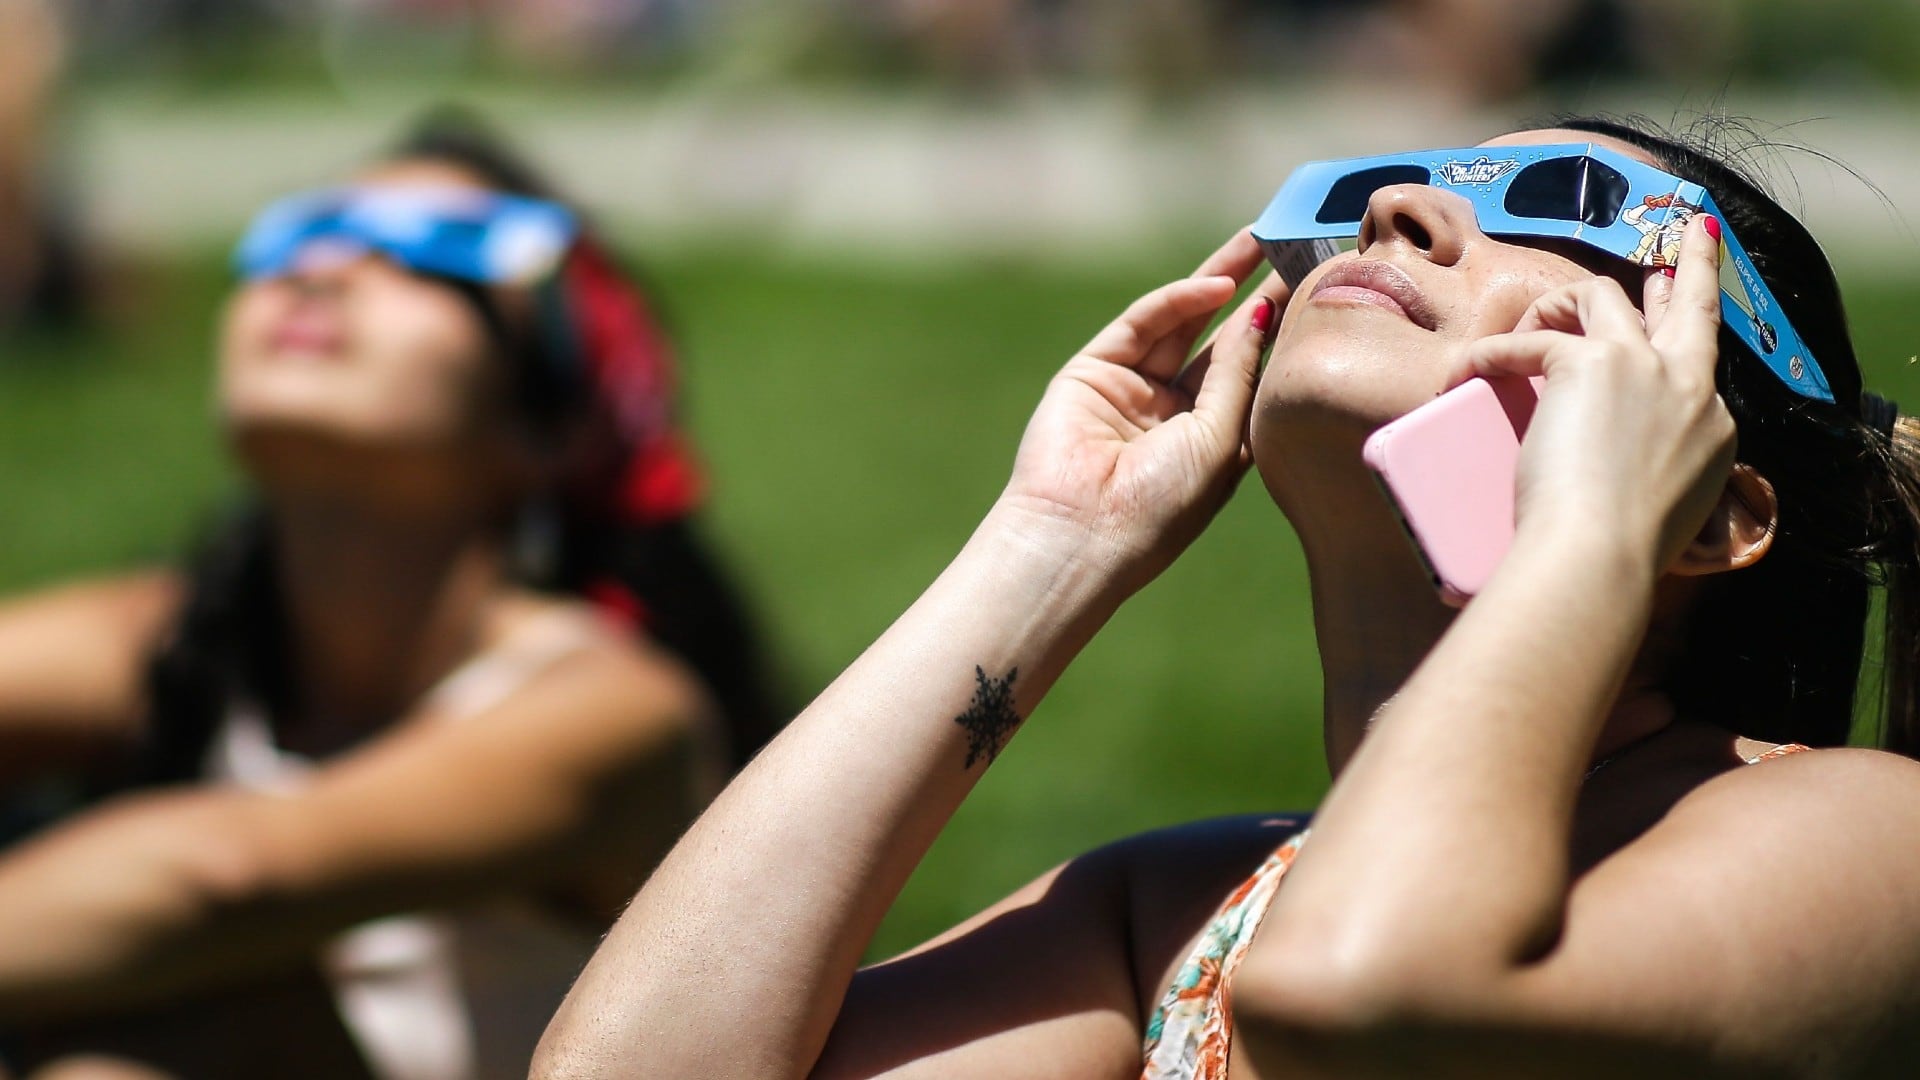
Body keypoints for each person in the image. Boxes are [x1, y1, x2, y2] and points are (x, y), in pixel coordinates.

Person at [534, 115, 1920, 1079]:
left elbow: (1373, 995)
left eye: (1564, 212)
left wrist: (1594, 527)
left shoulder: (1865, 832)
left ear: (1722, 513)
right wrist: (1052, 544)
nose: (1401, 211)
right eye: (1388, 178)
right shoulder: (1181, 910)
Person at [0, 115, 780, 1079]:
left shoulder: (618, 713)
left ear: (550, 428)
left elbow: (224, 877)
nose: (321, 270)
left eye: (431, 254)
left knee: (170, 1033)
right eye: (299, 232)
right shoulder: (178, 636)